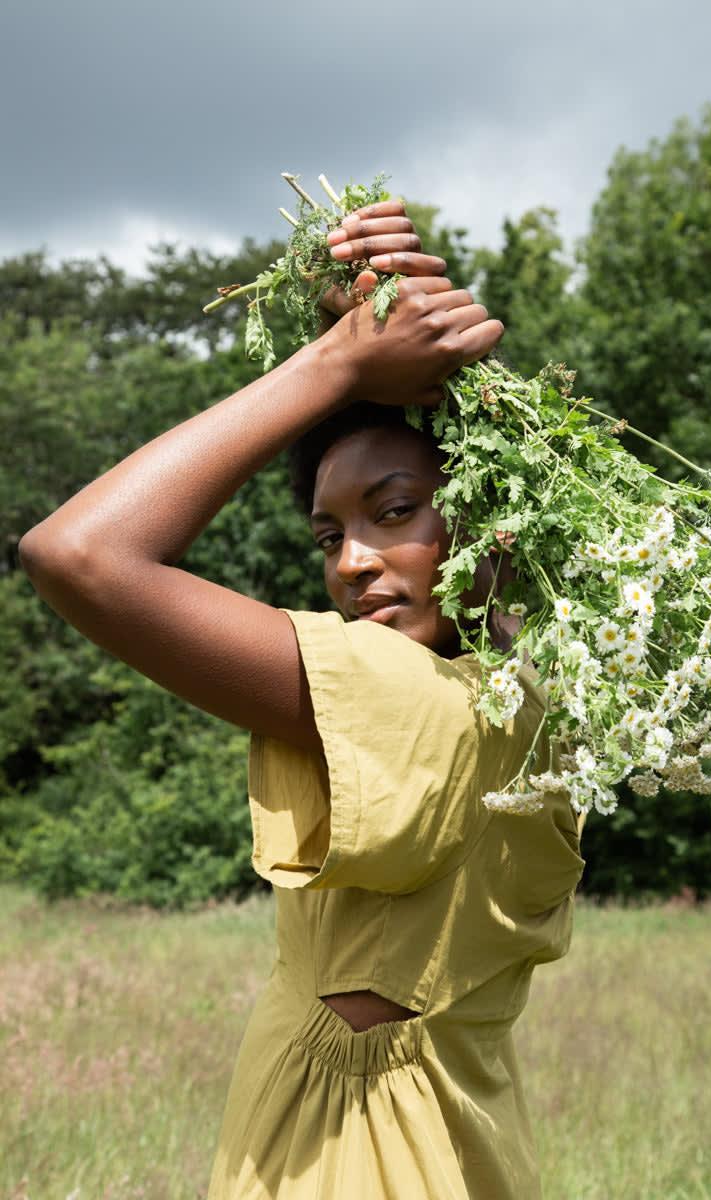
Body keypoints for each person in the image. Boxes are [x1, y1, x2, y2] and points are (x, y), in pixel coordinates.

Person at [19, 201, 586, 1200]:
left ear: (485, 524)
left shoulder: (419, 703)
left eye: (395, 512)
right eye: (327, 538)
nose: (353, 563)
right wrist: (385, 336)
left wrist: (333, 365)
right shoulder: (538, 700)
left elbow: (76, 554)